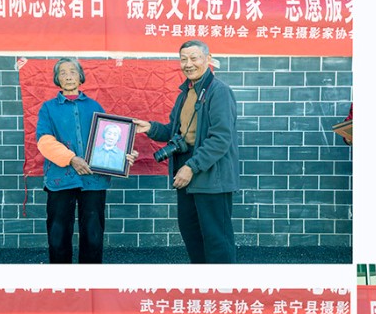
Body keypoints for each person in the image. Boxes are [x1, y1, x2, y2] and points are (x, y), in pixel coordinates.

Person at [134, 40, 240, 264]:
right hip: (187, 169)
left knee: (216, 238)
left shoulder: (219, 91)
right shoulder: (185, 93)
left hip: (210, 174)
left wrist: (191, 167)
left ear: (207, 59)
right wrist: (150, 128)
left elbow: (221, 138)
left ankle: (223, 284)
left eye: (194, 58)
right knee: (191, 233)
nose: (188, 64)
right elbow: (175, 131)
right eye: (183, 59)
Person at [36, 58, 136, 263]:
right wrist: (71, 159)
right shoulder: (48, 108)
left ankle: (90, 278)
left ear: (80, 77)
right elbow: (44, 141)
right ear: (57, 79)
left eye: (73, 72)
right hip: (61, 179)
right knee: (58, 235)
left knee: (93, 235)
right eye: (63, 73)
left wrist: (123, 156)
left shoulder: (94, 106)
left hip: (93, 179)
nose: (68, 76)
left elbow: (107, 137)